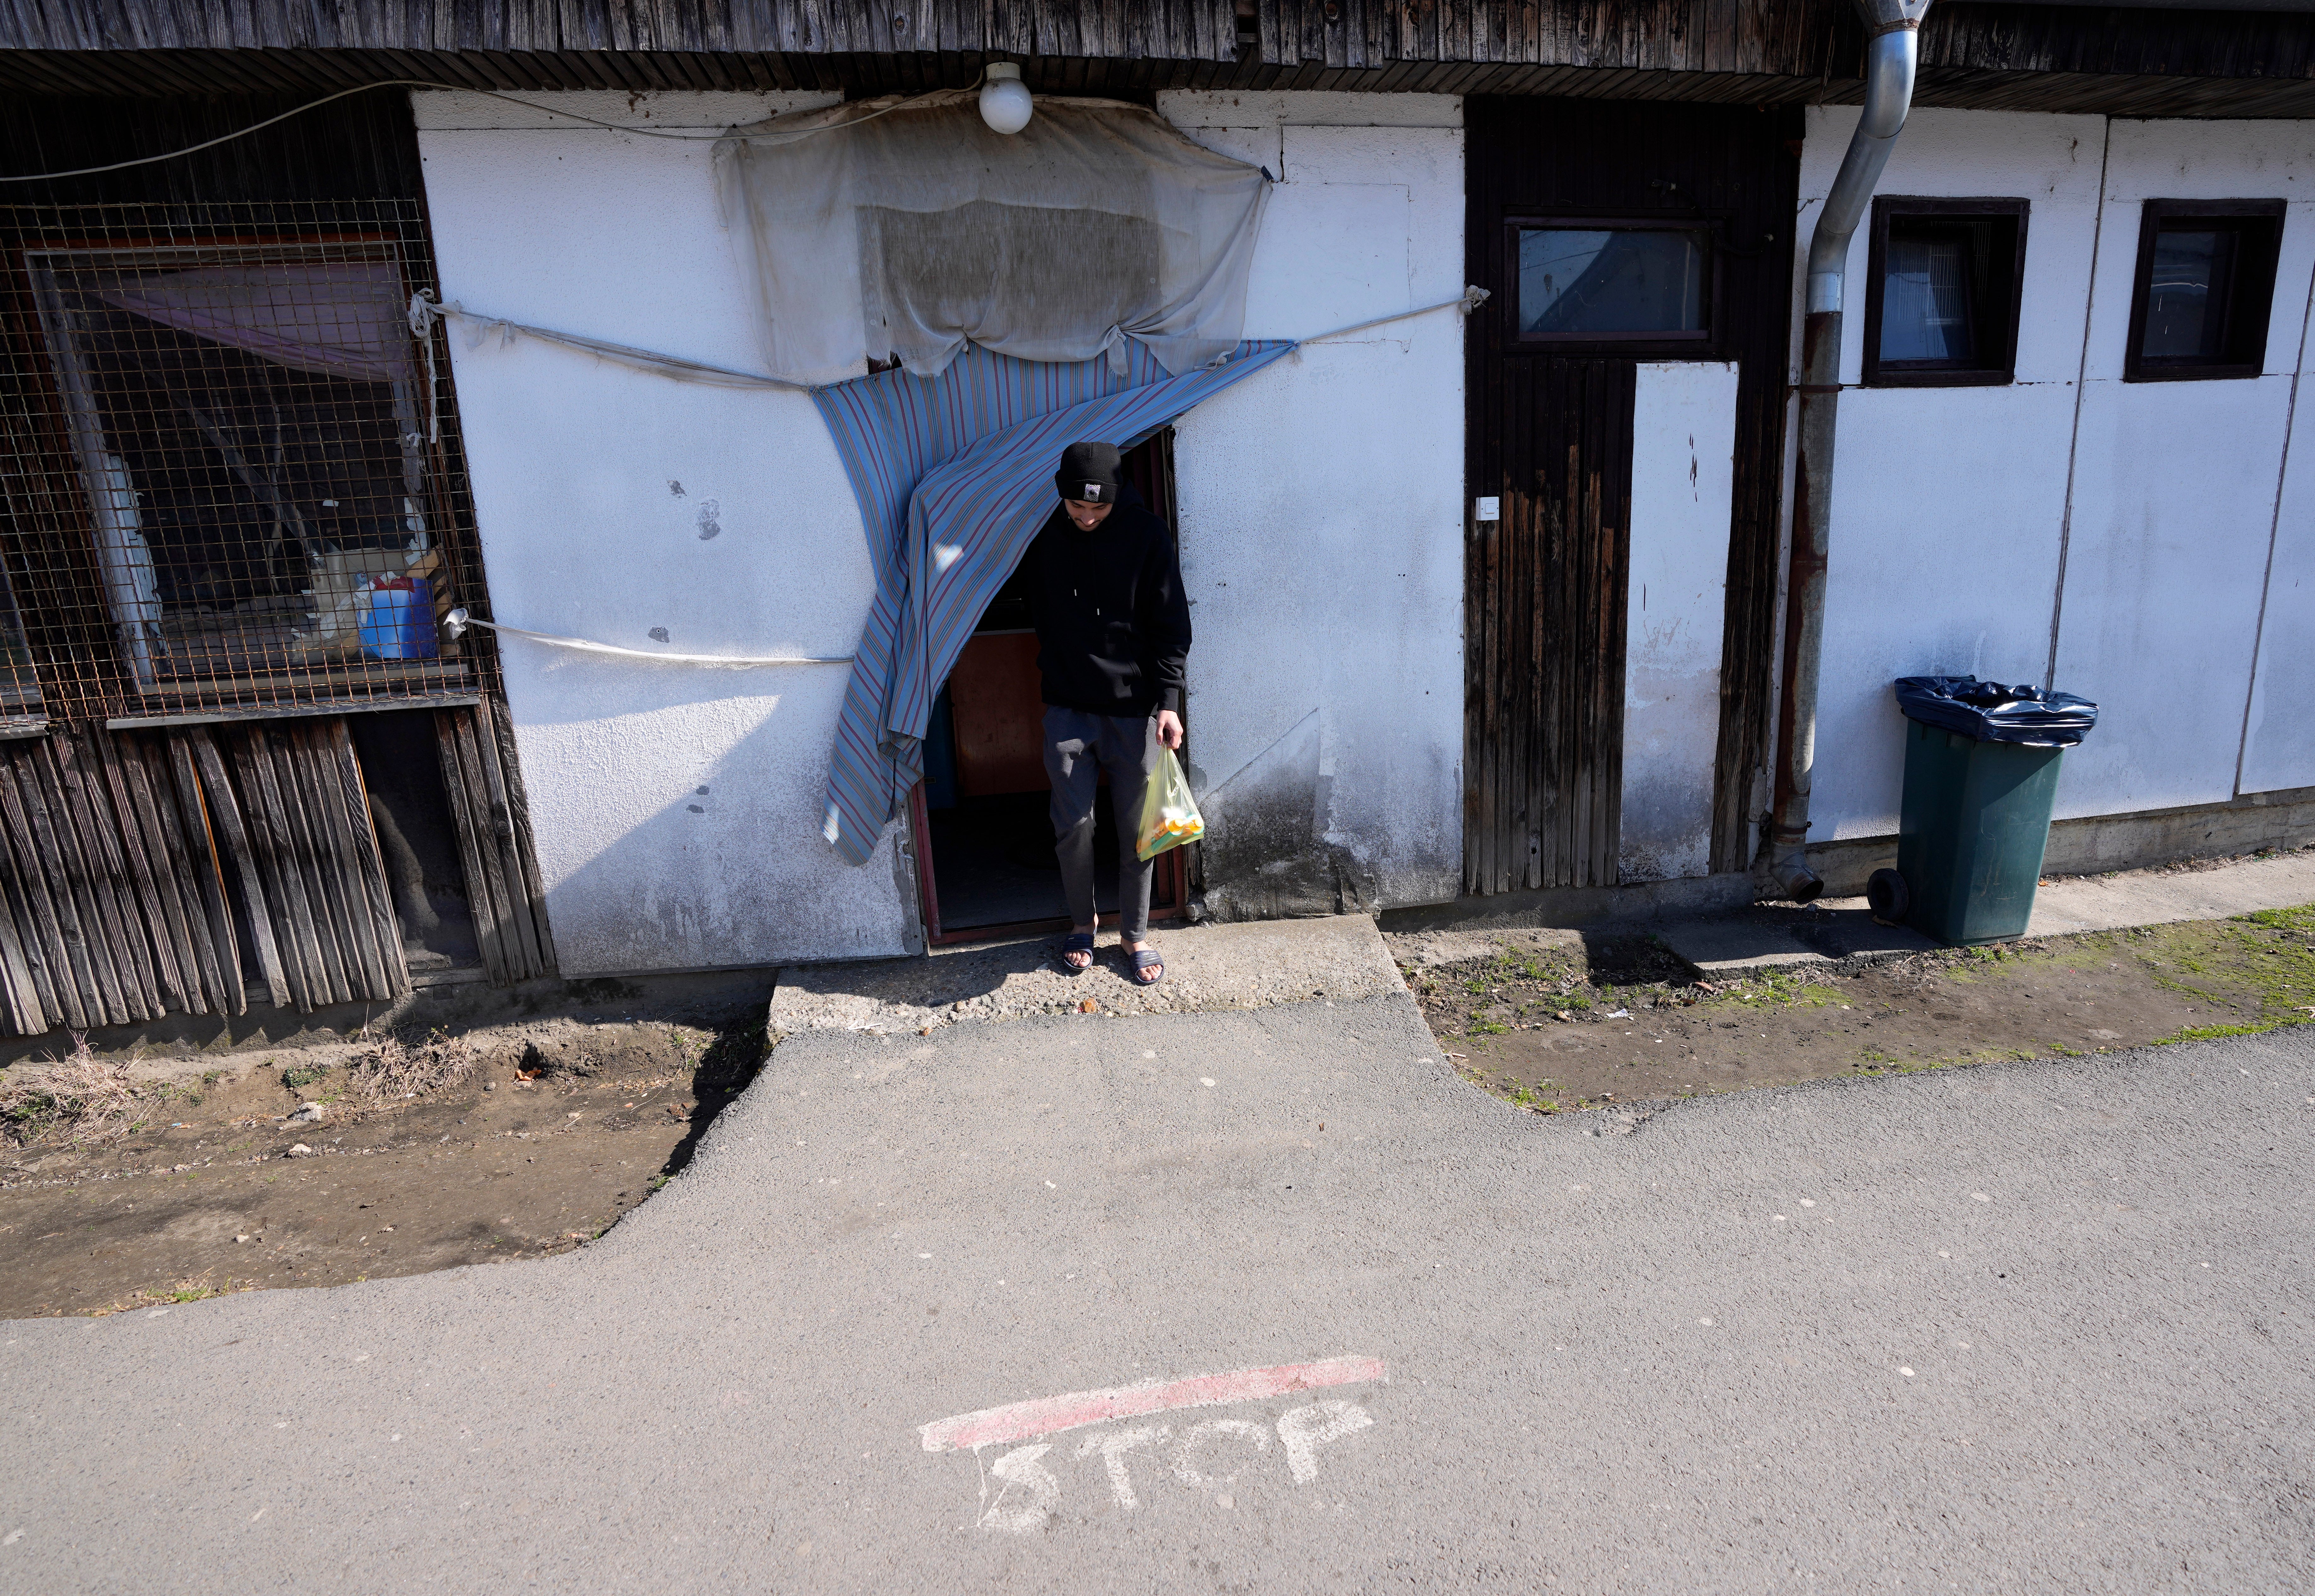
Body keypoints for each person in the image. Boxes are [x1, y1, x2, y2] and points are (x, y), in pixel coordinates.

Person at [1027, 440, 1188, 986]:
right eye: (1079, 509)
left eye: (1100, 508)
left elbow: (1171, 626)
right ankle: (1083, 921)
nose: (1090, 517)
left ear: (1118, 497)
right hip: (1069, 708)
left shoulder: (1147, 536)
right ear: (1062, 499)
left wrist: (1168, 703)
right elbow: (1040, 610)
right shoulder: (1045, 535)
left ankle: (1135, 933)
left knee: (1136, 829)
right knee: (1073, 825)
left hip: (1133, 710)